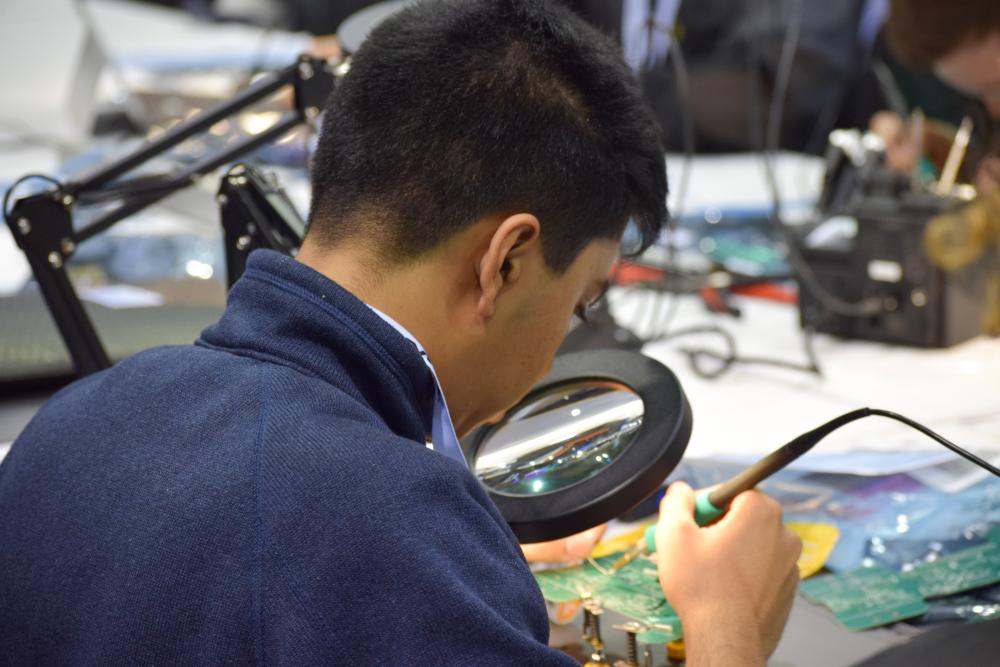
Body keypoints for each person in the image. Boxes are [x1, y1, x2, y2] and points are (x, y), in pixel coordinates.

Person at [0, 0, 801, 664]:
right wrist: (731, 619)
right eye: (582, 302)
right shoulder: (387, 531)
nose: (571, 335)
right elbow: (335, 547)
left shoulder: (70, 424)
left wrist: (458, 576)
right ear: (507, 261)